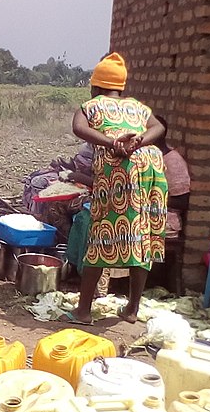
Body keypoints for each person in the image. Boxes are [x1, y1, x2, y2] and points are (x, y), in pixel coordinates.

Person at [68, 52, 168, 325]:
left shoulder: (91, 105)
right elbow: (158, 126)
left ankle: (83, 311)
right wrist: (139, 141)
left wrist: (113, 143)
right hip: (150, 168)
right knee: (141, 234)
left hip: (119, 168)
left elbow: (79, 128)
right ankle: (132, 309)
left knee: (102, 234)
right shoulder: (137, 107)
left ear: (96, 86)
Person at [153, 115, 190, 238]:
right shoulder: (149, 157)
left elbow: (181, 202)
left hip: (165, 218)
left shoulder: (172, 161)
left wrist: (148, 201)